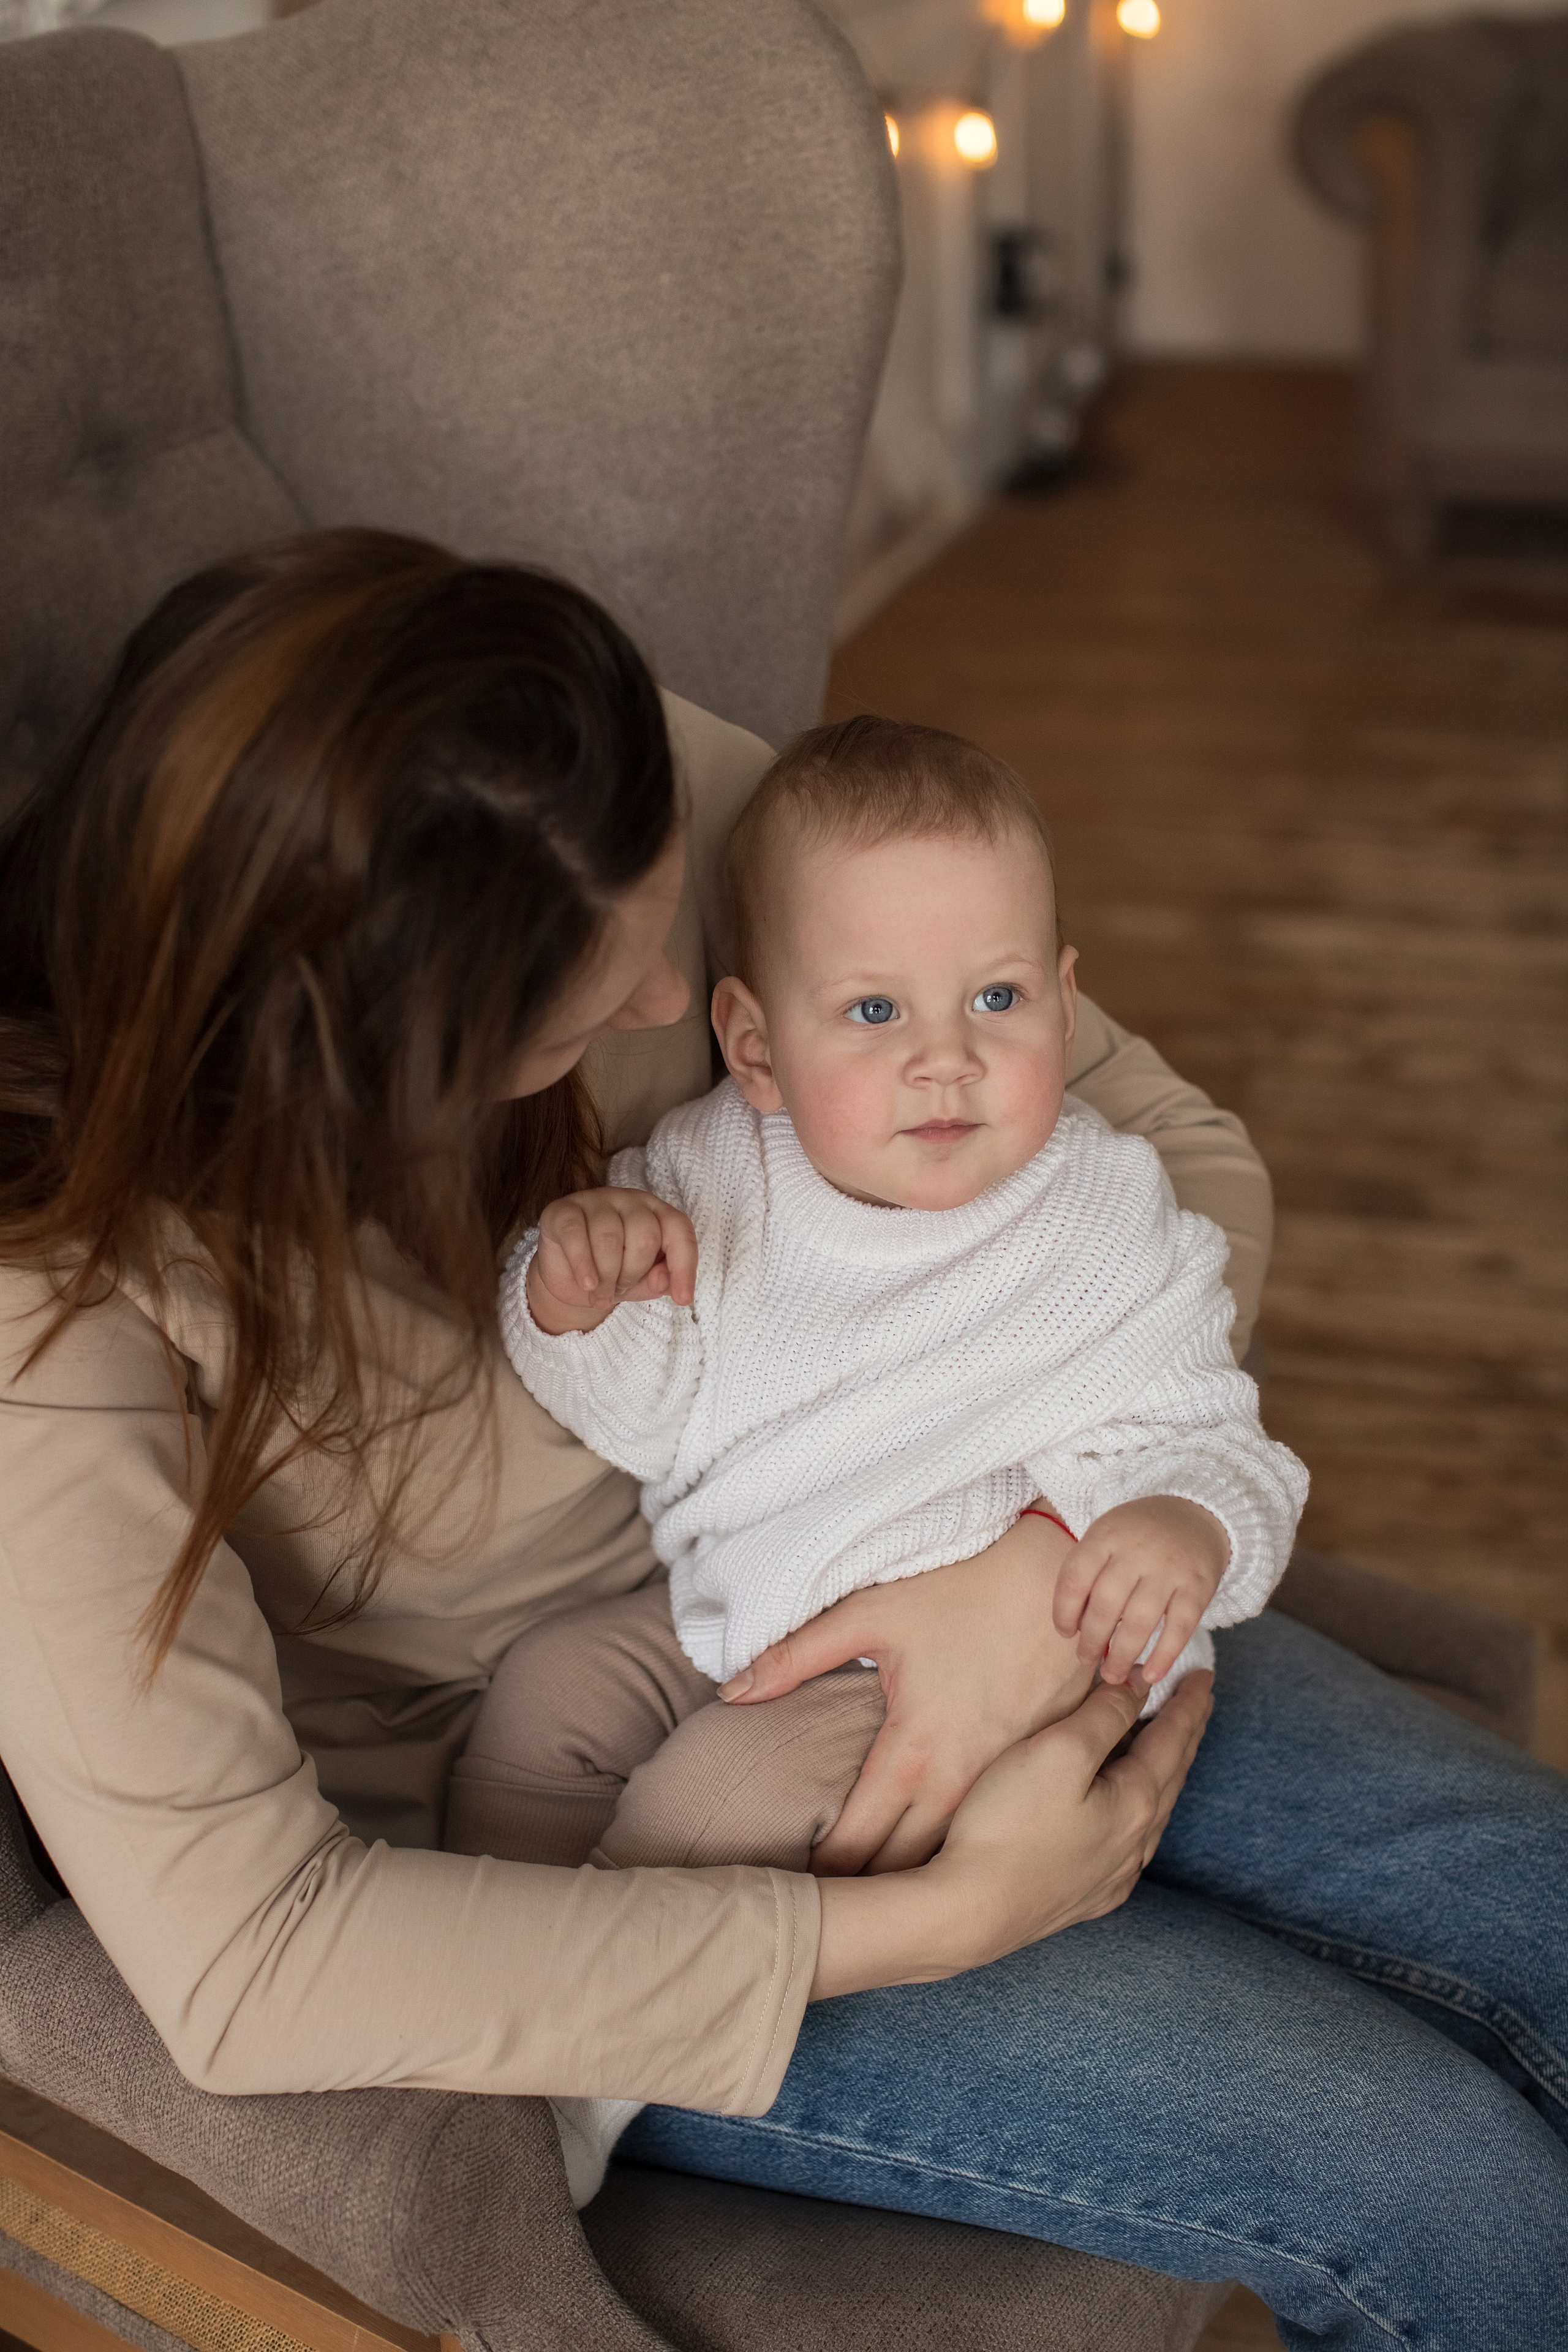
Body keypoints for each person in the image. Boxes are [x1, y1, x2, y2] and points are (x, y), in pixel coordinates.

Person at [1, 529, 1562, 2352]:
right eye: (589, 999)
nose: (672, 1004)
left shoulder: (600, 781)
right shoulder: (56, 1308)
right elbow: (248, 1957)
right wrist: (943, 1921)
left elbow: (1165, 1159)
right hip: (637, 1868)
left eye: (664, 925)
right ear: (365, 1053)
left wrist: (1023, 1579)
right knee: (1439, 2182)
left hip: (972, 1548)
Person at [480, 714, 1309, 2202]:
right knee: (545, 1695)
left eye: (996, 997)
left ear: (1064, 1000)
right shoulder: (710, 1178)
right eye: (872, 1011)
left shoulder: (1099, 1217)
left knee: (705, 1809)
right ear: (754, 1047)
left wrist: (1185, 1521)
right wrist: (577, 1288)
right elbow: (645, 1413)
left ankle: (567, 2097)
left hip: (936, 1663)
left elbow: (1212, 1431)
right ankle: (492, 1973)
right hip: (744, 1594)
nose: (945, 1059)